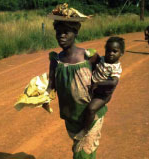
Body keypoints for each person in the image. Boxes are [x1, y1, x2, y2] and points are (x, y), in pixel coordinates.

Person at [46, 12, 125, 159]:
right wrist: (44, 94)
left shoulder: (88, 56)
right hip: (71, 116)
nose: (61, 36)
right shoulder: (56, 60)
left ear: (75, 33)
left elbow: (106, 74)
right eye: (58, 32)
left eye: (66, 32)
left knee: (83, 154)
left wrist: (105, 98)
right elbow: (52, 84)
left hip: (91, 116)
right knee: (80, 150)